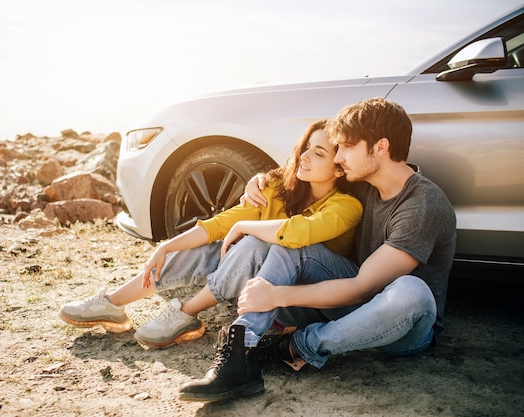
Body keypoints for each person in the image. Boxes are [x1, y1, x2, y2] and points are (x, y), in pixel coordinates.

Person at [179, 97, 457, 402]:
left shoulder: (421, 205)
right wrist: (260, 181)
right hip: (350, 304)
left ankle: (296, 345)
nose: (339, 158)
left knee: (411, 290)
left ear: (380, 147)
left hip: (403, 326)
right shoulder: (363, 182)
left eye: (348, 147)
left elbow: (362, 289)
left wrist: (279, 296)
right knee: (294, 247)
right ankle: (241, 351)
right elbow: (302, 175)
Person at [58, 119, 363, 349]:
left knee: (255, 242)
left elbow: (299, 234)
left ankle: (186, 312)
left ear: (339, 168)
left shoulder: (347, 206)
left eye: (318, 152)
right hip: (260, 295)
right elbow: (221, 223)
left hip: (305, 305)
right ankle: (113, 303)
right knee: (207, 248)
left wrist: (244, 228)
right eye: (306, 146)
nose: (304, 156)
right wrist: (166, 247)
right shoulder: (277, 190)